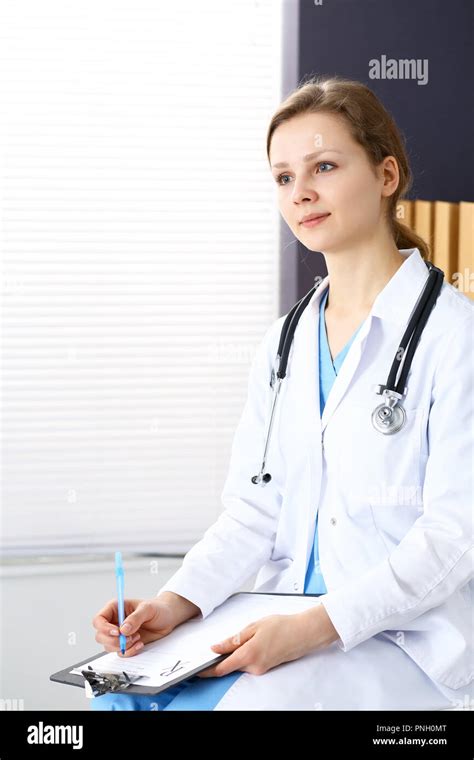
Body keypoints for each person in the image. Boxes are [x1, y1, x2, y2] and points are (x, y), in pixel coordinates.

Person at [91, 75, 473, 711]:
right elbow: (253, 512)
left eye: (324, 165)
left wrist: (311, 629)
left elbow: (453, 537)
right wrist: (174, 604)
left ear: (386, 176)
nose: (302, 193)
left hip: (398, 642)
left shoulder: (455, 337)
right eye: (283, 177)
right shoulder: (283, 345)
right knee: (116, 700)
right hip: (275, 615)